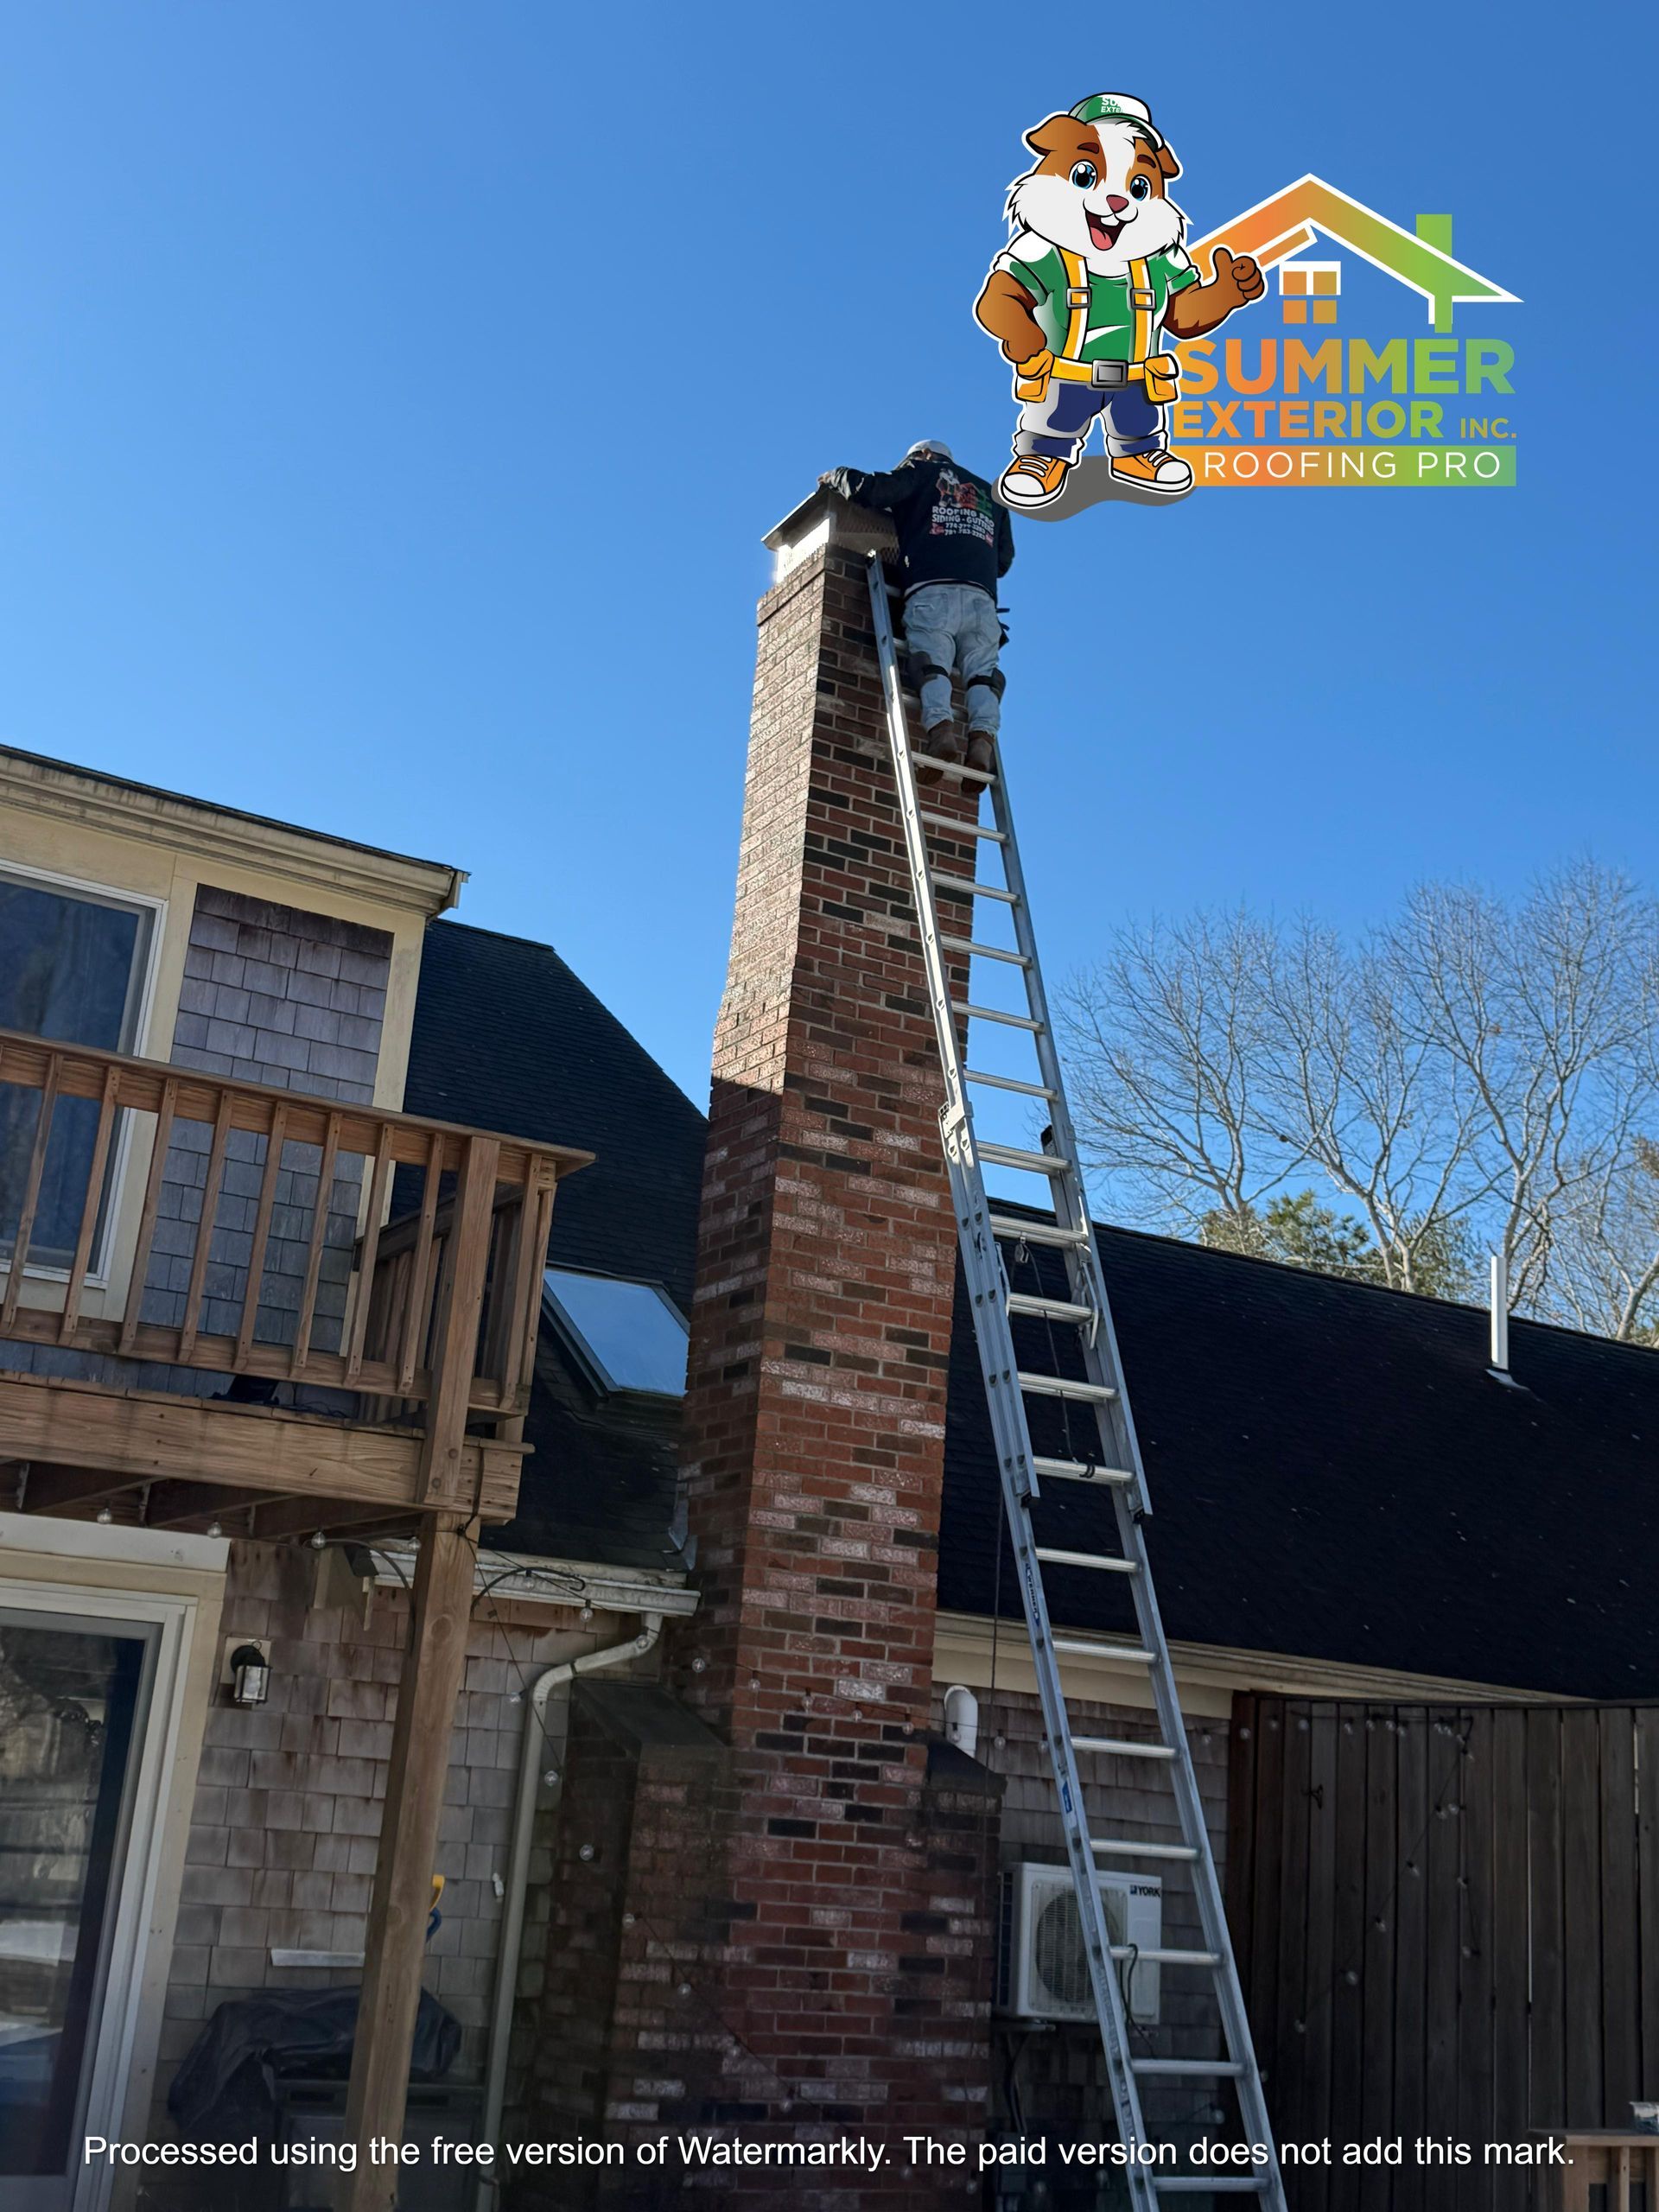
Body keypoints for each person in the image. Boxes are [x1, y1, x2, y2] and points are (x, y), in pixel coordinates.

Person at [819, 441, 1014, 774]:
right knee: (982, 676)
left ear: (923, 456)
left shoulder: (921, 472)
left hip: (933, 590)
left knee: (931, 664)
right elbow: (1003, 560)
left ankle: (941, 732)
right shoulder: (990, 495)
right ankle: (982, 739)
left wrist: (837, 476)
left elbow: (873, 490)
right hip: (983, 601)